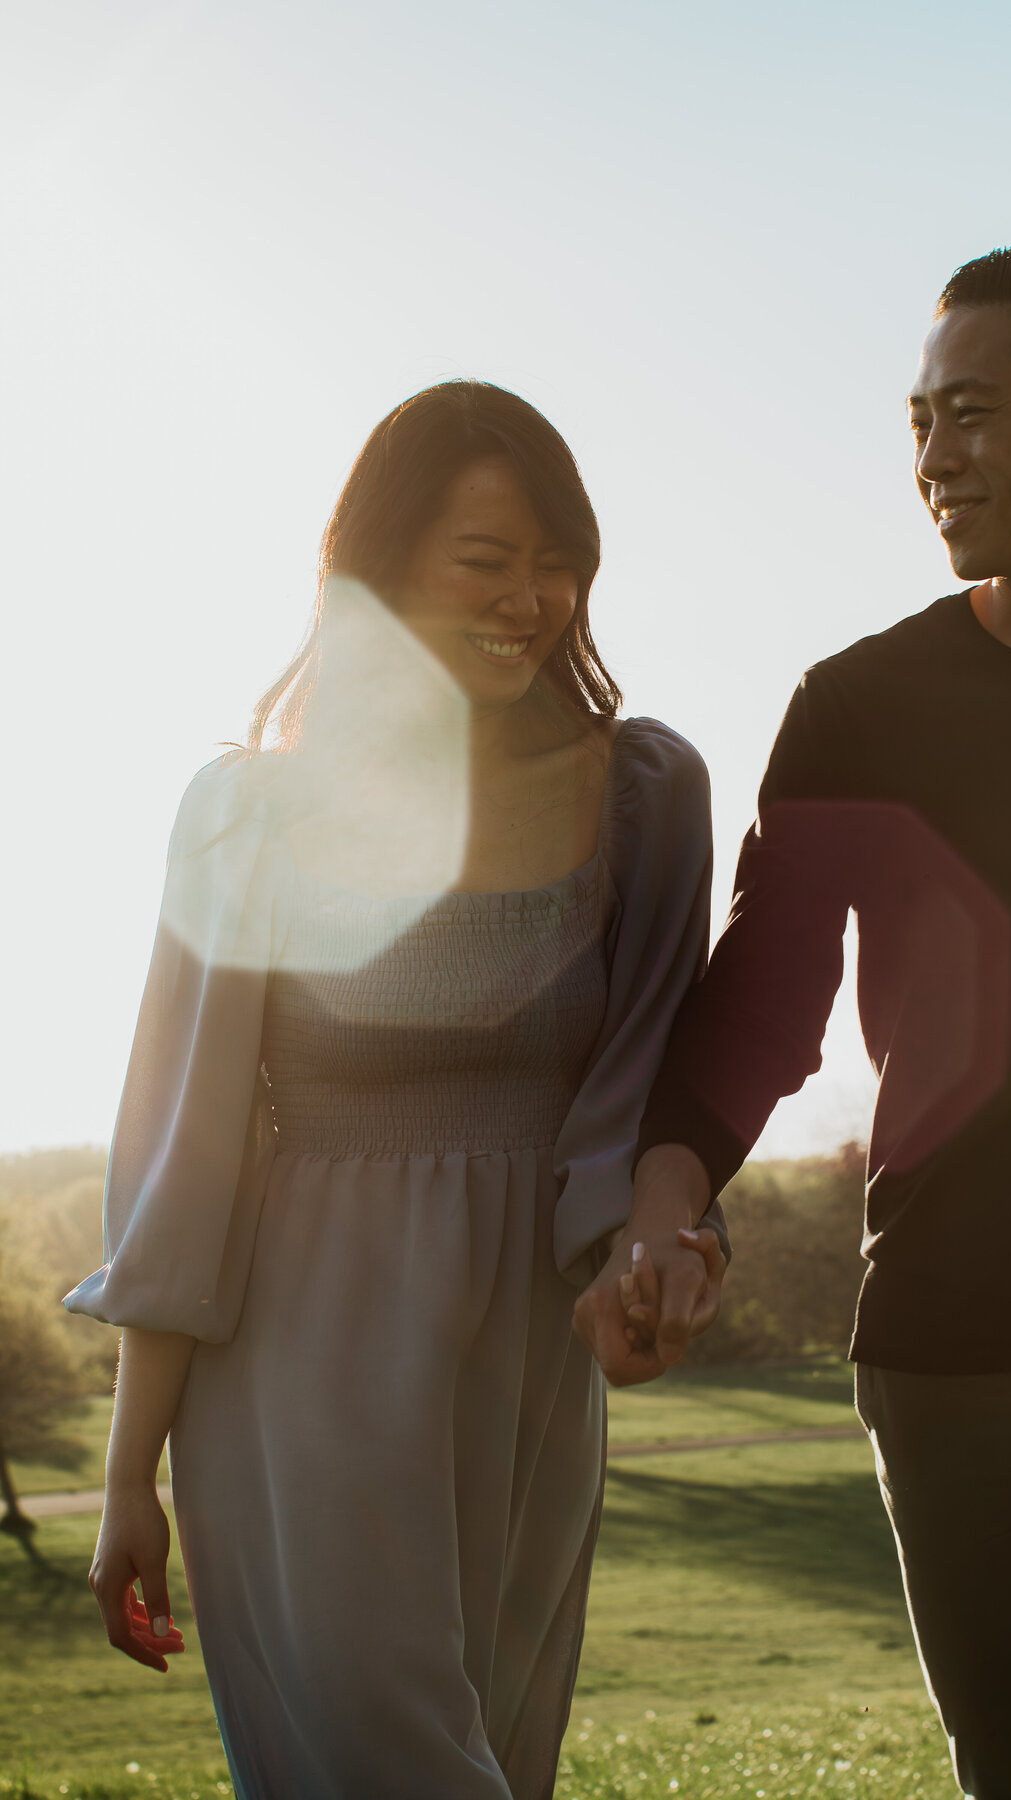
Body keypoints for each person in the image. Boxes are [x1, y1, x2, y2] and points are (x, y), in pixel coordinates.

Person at [578, 248, 1011, 1798]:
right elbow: (767, 993)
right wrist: (667, 1202)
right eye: (919, 420)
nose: (932, 460)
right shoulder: (863, 706)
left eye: (973, 415)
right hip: (953, 1354)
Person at [65, 380, 724, 1800]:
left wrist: (640, 1267)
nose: (531, 598)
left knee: (503, 1755)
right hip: (301, 1356)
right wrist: (130, 1474)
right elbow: (185, 1162)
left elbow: (639, 1091)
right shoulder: (249, 814)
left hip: (531, 1365)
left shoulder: (644, 793)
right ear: (377, 567)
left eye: (558, 563)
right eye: (486, 559)